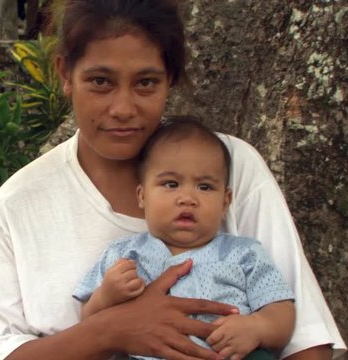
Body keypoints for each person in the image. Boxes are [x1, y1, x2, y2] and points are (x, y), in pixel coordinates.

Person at [0, 0, 346, 359]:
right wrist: (113, 329)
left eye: (146, 83)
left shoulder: (229, 166)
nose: (122, 108)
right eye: (101, 81)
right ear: (66, 74)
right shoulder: (19, 204)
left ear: (171, 79)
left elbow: (306, 339)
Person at [74, 117, 296, 360]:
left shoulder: (245, 254)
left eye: (204, 187)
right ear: (142, 196)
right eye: (171, 184)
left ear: (225, 202)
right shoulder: (124, 256)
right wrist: (106, 296)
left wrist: (257, 327)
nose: (187, 198)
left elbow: (281, 309)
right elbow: (89, 324)